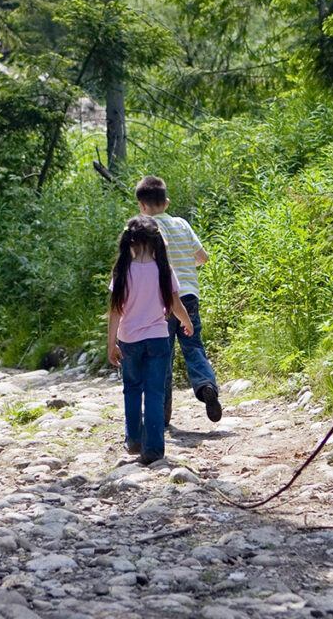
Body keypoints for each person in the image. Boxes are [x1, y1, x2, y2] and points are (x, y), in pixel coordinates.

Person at [135, 175, 221, 426]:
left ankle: (162, 413)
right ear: (167, 202)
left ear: (141, 206)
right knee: (193, 346)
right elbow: (202, 257)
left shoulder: (144, 229)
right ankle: (207, 385)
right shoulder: (182, 224)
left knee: (163, 355)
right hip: (189, 297)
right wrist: (187, 263)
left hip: (160, 301)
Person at [108, 215, 194, 465]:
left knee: (132, 389)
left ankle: (134, 439)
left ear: (130, 243)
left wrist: (111, 344)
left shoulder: (122, 271)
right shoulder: (163, 270)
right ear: (156, 242)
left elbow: (115, 311)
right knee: (155, 392)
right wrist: (187, 322)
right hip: (157, 338)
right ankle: (154, 448)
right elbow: (175, 303)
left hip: (129, 341)